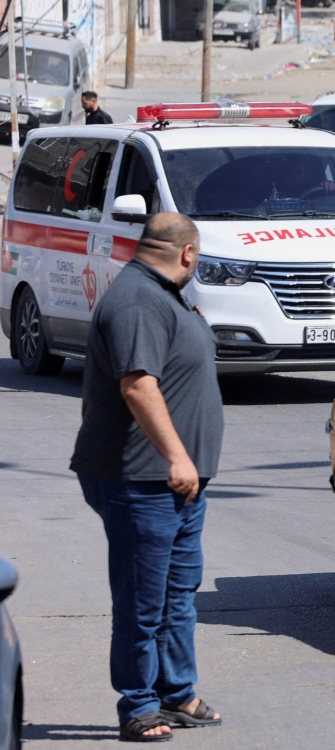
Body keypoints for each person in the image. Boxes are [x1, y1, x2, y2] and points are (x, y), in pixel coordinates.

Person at [70, 213, 224, 743]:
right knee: (143, 599)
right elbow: (138, 386)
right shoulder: (137, 300)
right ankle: (138, 705)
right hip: (140, 479)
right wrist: (178, 456)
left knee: (178, 594)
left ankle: (176, 692)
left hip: (175, 483)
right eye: (198, 258)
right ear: (187, 254)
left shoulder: (162, 293)